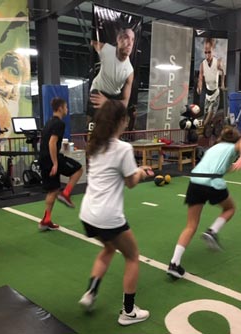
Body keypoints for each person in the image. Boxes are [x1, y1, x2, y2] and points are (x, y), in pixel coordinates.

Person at [78, 99, 154, 326]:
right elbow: (131, 182)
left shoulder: (94, 146)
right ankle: (128, 312)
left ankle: (90, 293)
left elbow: (112, 175)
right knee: (132, 256)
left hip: (88, 215)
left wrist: (135, 171)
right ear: (120, 121)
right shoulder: (123, 148)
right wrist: (142, 172)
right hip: (108, 216)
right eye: (126, 119)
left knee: (108, 249)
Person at [167, 126, 241, 279]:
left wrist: (233, 164)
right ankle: (212, 231)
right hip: (212, 181)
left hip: (195, 180)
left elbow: (224, 167)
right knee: (230, 208)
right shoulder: (233, 146)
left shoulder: (214, 148)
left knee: (190, 225)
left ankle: (174, 263)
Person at [38, 97, 83, 231]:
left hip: (44, 159)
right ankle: (66, 193)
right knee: (78, 170)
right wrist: (55, 163)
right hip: (51, 159)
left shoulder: (48, 123)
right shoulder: (59, 124)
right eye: (66, 107)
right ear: (60, 108)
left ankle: (46, 220)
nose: (67, 110)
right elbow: (52, 143)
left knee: (53, 190)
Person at [88, 28, 135, 122]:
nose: (130, 43)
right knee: (93, 126)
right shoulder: (106, 49)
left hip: (113, 98)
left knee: (116, 122)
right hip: (98, 90)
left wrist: (106, 102)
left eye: (132, 39)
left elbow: (125, 103)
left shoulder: (129, 71)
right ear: (118, 39)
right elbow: (92, 42)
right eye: (126, 38)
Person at [197, 38, 225, 127]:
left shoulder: (217, 62)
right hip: (207, 94)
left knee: (210, 112)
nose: (207, 54)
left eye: (209, 52)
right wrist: (199, 86)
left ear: (212, 51)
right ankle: (210, 124)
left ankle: (202, 127)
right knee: (205, 114)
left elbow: (223, 72)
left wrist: (222, 84)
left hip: (215, 93)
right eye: (206, 52)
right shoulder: (202, 64)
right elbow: (200, 77)